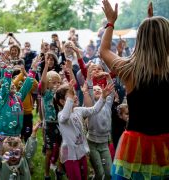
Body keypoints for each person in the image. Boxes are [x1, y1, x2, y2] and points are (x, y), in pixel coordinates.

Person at [100, 1, 169, 179]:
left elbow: (104, 50)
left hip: (135, 146)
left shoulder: (130, 70)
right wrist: (153, 25)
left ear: (141, 39)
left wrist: (110, 22)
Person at [55, 81, 114, 180]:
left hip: (81, 153)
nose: (75, 96)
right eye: (71, 95)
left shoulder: (78, 110)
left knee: (84, 177)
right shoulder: (61, 115)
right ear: (62, 102)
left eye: (74, 93)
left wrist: (103, 97)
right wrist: (70, 99)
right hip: (70, 156)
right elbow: (65, 117)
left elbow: (94, 110)